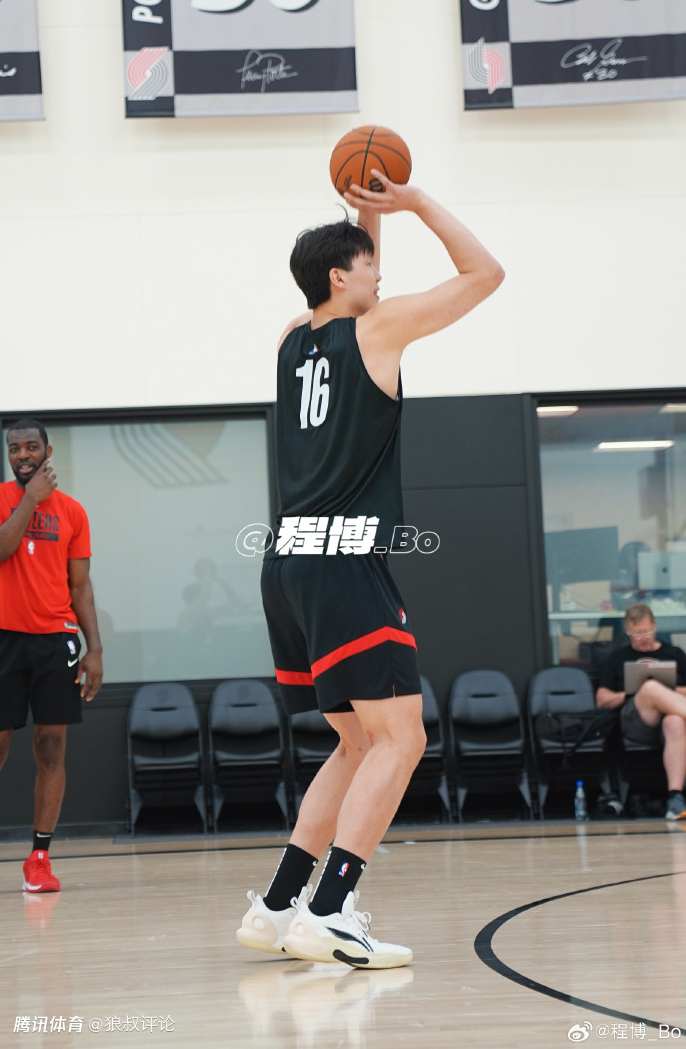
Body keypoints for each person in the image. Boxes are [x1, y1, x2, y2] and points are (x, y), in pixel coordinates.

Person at [236, 173, 504, 967]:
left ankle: (278, 906)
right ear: (338, 276)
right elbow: (486, 274)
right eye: (368, 265)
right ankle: (330, 911)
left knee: (357, 744)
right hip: (344, 563)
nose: (380, 275)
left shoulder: (292, 337)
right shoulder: (379, 330)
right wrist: (415, 202)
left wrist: (367, 216)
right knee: (401, 738)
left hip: (287, 562)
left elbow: (349, 294)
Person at [0, 419, 103, 892]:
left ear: (47, 451)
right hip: (2, 637)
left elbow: (80, 586)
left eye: (31, 446)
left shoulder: (73, 512)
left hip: (55, 639)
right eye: (14, 448)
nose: (22, 455)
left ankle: (39, 858)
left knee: (51, 747)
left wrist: (95, 648)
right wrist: (31, 499)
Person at [596, 602, 686, 820]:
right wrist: (632, 693)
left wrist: (667, 690)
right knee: (649, 687)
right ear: (627, 630)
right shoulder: (618, 658)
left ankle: (675, 798)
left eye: (647, 631)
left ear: (655, 626)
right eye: (638, 633)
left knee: (675, 722)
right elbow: (601, 700)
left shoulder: (674, 653)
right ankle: (650, 691)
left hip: (671, 720)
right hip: (636, 722)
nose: (644, 637)